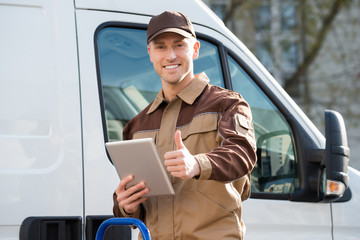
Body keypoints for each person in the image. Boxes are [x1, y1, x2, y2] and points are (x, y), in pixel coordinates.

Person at [113, 10, 257, 240]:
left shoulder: (227, 104)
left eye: (179, 45)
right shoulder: (137, 125)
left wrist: (198, 164)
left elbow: (243, 153)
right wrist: (126, 206)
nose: (170, 55)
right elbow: (136, 200)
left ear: (195, 49)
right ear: (150, 54)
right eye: (160, 47)